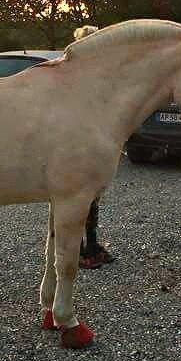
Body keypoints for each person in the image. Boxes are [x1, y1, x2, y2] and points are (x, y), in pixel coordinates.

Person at [73, 25, 114, 269]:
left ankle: (92, 245)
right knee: (80, 200)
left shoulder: (99, 74)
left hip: (95, 141)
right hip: (78, 145)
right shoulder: (78, 76)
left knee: (93, 200)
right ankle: (80, 250)